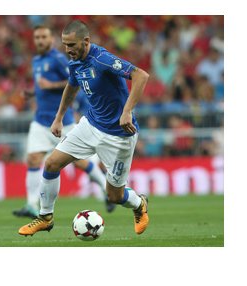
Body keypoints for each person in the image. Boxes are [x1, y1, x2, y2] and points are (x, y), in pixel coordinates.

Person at [18, 20, 150, 237]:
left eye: (72, 45)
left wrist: (127, 111)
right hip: (90, 125)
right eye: (64, 44)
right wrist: (59, 117)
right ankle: (45, 217)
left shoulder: (101, 59)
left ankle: (139, 204)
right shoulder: (74, 61)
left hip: (119, 136)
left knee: (114, 196)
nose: (68, 50)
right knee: (51, 163)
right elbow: (71, 85)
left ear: (86, 41)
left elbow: (141, 75)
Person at [13, 25, 115, 219]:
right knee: (33, 159)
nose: (40, 41)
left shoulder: (60, 59)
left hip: (62, 122)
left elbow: (72, 82)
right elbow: (42, 86)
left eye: (43, 37)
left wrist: (51, 86)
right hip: (40, 121)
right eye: (37, 38)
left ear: (51, 39)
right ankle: (31, 205)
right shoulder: (36, 61)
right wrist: (33, 92)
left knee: (79, 162)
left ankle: (106, 190)